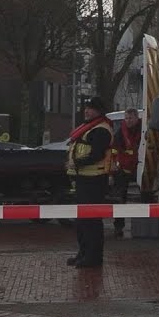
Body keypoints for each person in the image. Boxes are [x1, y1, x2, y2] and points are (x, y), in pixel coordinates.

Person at [65, 96, 114, 268]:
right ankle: (83, 253)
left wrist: (77, 163)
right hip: (83, 179)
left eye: (91, 108)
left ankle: (93, 257)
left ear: (99, 111)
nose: (86, 111)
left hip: (94, 181)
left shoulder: (101, 129)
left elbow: (97, 154)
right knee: (81, 221)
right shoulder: (89, 128)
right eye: (86, 107)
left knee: (91, 221)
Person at [111, 108, 142, 235]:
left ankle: (142, 226)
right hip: (123, 168)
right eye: (126, 118)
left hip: (139, 167)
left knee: (145, 195)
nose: (128, 121)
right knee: (120, 198)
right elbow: (114, 149)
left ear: (136, 118)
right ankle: (118, 226)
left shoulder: (142, 129)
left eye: (130, 118)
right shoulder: (120, 133)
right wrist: (114, 164)